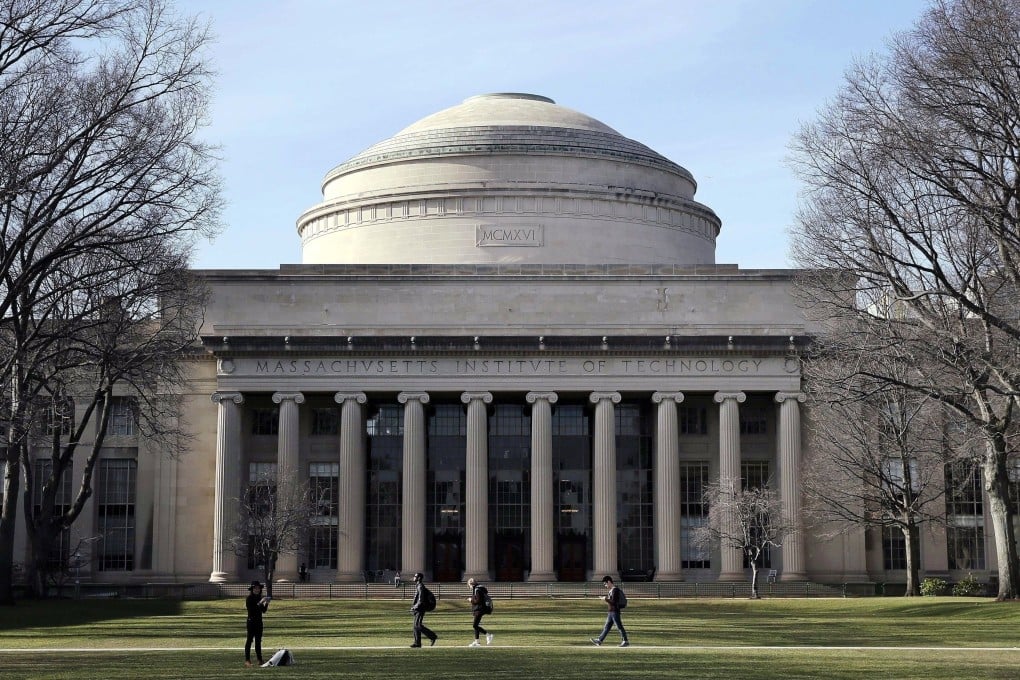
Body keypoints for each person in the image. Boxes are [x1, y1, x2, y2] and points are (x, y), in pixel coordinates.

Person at [590, 575, 629, 647]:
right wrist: (605, 599)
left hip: (614, 612)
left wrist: (605, 599)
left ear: (609, 582)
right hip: (611, 612)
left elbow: (614, 602)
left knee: (619, 626)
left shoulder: (615, 590)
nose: (605, 585)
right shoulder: (612, 591)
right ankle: (599, 640)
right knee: (607, 627)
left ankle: (625, 640)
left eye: (605, 583)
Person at [245, 580, 271, 666]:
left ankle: (260, 659)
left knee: (258, 641)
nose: (257, 589)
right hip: (251, 622)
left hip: (259, 622)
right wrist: (261, 602)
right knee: (249, 640)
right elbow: (252, 610)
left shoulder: (259, 598)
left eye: (258, 588)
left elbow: (263, 611)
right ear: (252, 589)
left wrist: (266, 603)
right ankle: (247, 660)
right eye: (255, 588)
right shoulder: (249, 598)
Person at [409, 572, 438, 647]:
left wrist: (414, 607)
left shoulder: (420, 586)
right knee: (416, 625)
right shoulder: (418, 586)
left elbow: (421, 600)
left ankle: (432, 636)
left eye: (415, 576)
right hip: (419, 607)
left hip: (421, 608)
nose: (414, 577)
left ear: (419, 578)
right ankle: (417, 643)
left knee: (417, 625)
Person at [466, 577, 493, 646]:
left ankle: (488, 635)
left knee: (475, 625)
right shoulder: (480, 588)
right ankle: (477, 641)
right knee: (476, 625)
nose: (469, 588)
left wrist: (470, 600)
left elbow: (478, 601)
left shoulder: (477, 590)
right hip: (479, 608)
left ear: (471, 584)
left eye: (469, 586)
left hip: (479, 609)